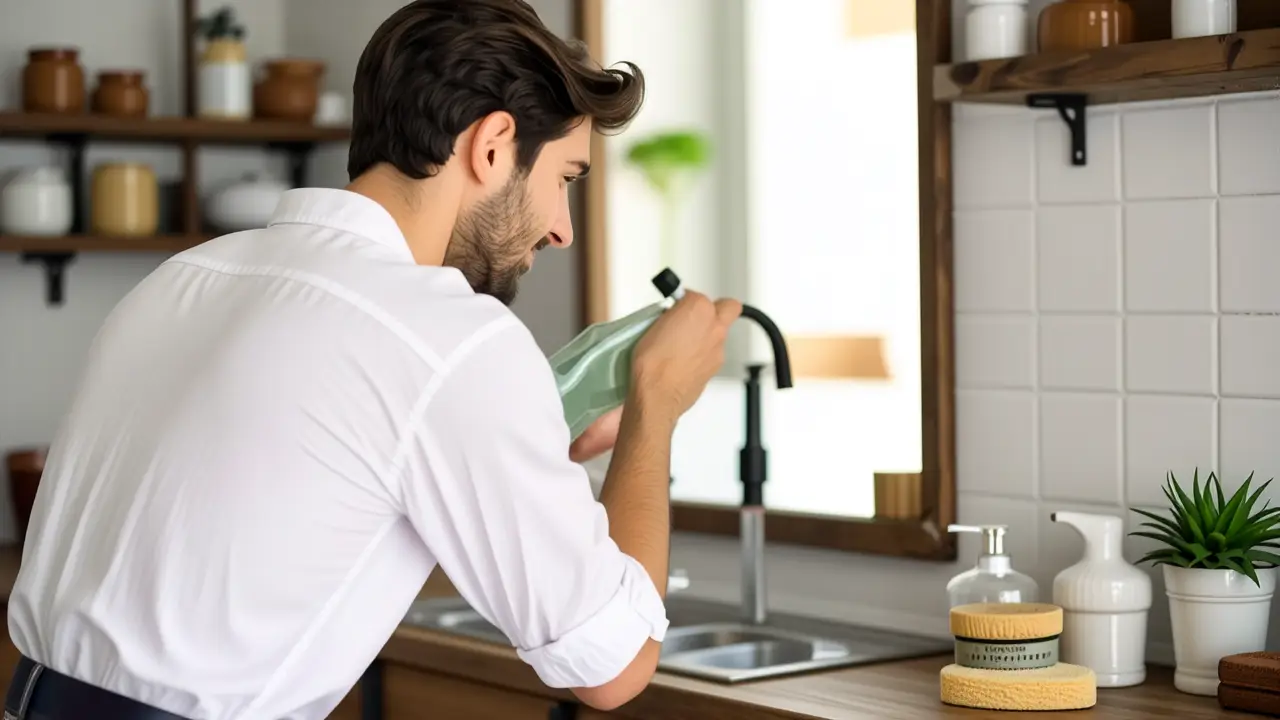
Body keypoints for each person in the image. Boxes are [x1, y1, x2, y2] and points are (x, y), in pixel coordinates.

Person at [3, 1, 741, 718]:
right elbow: (613, 667)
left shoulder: (183, 279)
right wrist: (656, 407)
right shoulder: (450, 337)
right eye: (564, 180)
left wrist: (538, 441)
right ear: (492, 145)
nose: (561, 230)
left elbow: (321, 476)